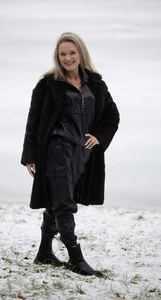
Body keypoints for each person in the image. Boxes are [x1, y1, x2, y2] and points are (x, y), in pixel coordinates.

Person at [21, 32, 120, 276]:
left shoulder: (95, 83)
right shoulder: (48, 84)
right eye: (62, 54)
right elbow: (33, 121)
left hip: (82, 153)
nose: (67, 58)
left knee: (58, 201)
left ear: (81, 54)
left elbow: (112, 115)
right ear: (57, 57)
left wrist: (100, 137)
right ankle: (76, 258)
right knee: (65, 204)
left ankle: (44, 253)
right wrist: (30, 155)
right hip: (56, 148)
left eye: (72, 53)